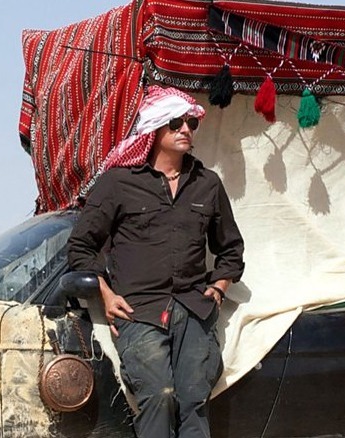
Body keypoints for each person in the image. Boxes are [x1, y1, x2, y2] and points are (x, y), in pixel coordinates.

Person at [68, 85, 245, 438]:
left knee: (194, 400)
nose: (186, 130)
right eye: (175, 122)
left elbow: (231, 249)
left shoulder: (207, 184)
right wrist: (104, 293)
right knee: (160, 395)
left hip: (194, 309)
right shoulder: (119, 184)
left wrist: (218, 288)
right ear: (154, 129)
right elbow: (81, 248)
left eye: (191, 123)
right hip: (140, 311)